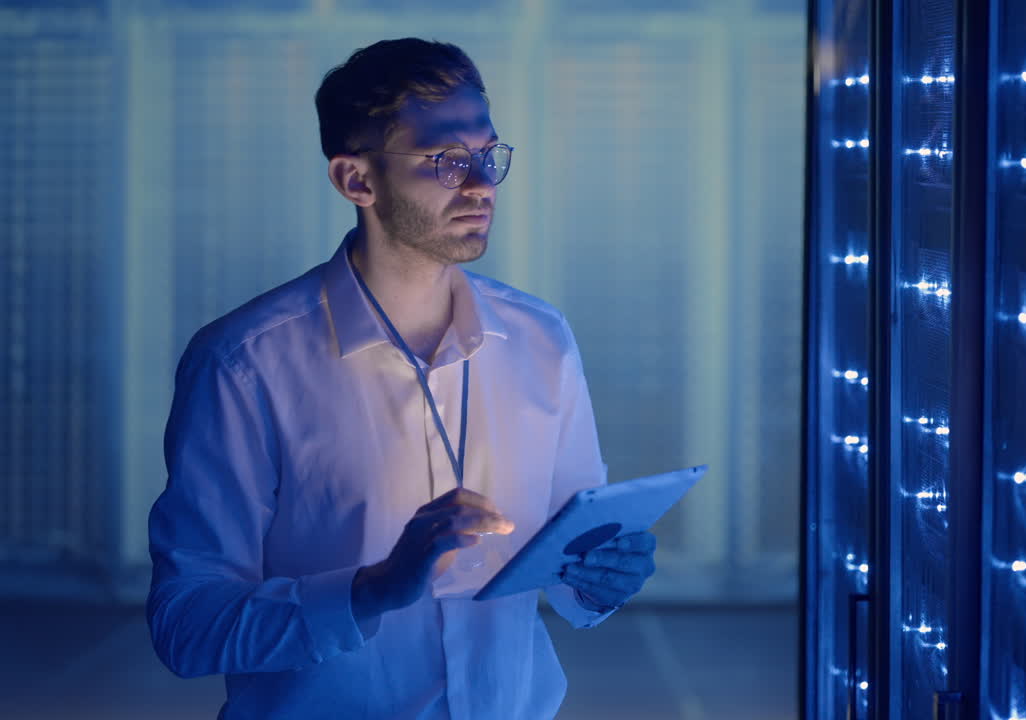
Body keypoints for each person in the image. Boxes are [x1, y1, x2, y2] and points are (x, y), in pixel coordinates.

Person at [146, 37, 658, 719]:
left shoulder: (543, 339)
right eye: (447, 161)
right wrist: (371, 589)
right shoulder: (244, 364)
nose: (481, 184)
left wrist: (603, 577)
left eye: (487, 155)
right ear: (357, 181)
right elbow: (187, 626)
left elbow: (569, 562)